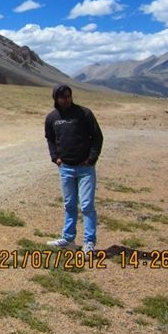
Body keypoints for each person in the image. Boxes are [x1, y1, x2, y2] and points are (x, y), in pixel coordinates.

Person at [44, 84, 103, 253]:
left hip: (85, 169)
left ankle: (89, 243)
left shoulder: (84, 114)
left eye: (68, 96)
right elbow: (50, 139)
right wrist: (56, 158)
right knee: (69, 205)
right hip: (66, 168)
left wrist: (91, 159)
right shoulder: (52, 118)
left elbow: (97, 137)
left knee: (86, 206)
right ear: (56, 98)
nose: (66, 99)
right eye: (62, 97)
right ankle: (68, 239)